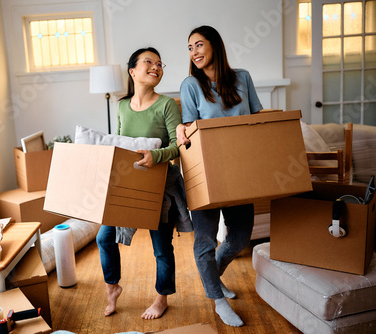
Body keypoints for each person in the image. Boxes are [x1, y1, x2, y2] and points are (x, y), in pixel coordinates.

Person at [96, 47, 192, 320]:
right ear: (132, 71)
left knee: (161, 248)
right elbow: (120, 144)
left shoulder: (167, 105)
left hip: (159, 187)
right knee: (104, 237)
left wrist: (156, 156)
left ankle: (161, 298)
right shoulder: (122, 106)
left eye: (160, 63)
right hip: (126, 188)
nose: (156, 67)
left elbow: (179, 146)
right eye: (148, 62)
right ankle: (112, 287)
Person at [176, 25, 263, 327]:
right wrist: (180, 131)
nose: (194, 52)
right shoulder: (190, 84)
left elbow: (255, 121)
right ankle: (218, 300)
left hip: (240, 171)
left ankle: (212, 273)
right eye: (190, 48)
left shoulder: (243, 78)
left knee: (240, 237)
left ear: (215, 45)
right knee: (204, 240)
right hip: (205, 172)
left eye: (199, 45)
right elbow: (190, 129)